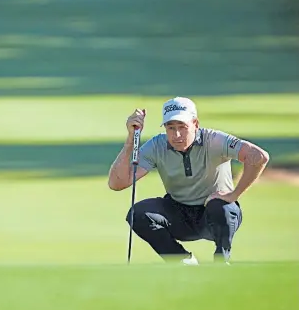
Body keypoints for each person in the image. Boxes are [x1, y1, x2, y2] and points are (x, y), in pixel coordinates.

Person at [108, 97, 269, 265]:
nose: (176, 135)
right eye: (171, 128)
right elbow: (117, 183)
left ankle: (222, 262)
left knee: (222, 207)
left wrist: (234, 194)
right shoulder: (157, 145)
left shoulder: (214, 140)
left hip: (214, 216)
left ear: (195, 124)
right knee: (138, 214)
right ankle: (183, 262)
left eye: (182, 127)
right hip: (179, 214)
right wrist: (131, 138)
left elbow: (259, 157)